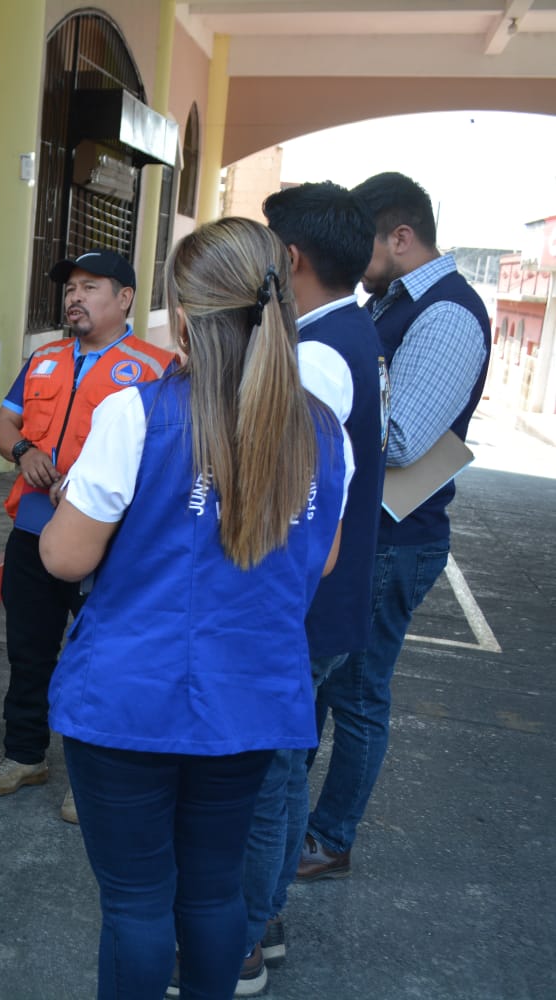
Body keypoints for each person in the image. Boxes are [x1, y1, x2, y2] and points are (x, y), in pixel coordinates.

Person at [40, 217, 349, 1000]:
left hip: (129, 696)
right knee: (213, 892)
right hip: (249, 696)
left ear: (183, 315)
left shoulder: (135, 414)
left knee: (137, 903)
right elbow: (322, 558)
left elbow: (65, 557)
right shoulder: (322, 430)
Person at [299, 171, 491, 881]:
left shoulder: (447, 313)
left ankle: (329, 838)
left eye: (367, 242)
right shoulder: (390, 302)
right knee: (325, 683)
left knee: (356, 694)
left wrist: (322, 391)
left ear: (401, 236)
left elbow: (403, 437)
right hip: (367, 529)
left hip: (396, 537)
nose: (355, 257)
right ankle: (291, 823)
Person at [237, 182, 388, 990]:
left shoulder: (318, 355)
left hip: (301, 605)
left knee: (265, 778)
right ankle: (266, 918)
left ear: (288, 257)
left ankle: (245, 936)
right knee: (285, 765)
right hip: (321, 601)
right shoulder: (343, 332)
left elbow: (287, 496)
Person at [0, 250, 172, 822]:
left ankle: (93, 778)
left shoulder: (158, 368)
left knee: (101, 659)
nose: (74, 298)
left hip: (108, 543)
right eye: (70, 289)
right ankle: (24, 755)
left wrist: (94, 491)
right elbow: (3, 423)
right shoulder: (44, 359)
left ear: (125, 298)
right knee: (28, 649)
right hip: (32, 530)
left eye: (90, 287)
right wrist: (24, 452)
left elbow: (166, 459)